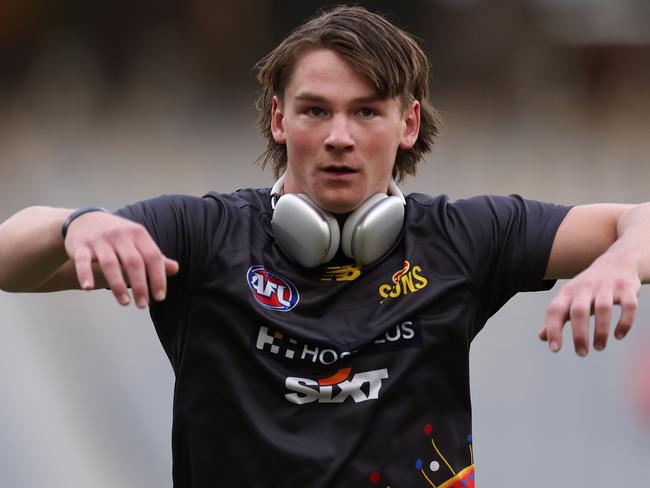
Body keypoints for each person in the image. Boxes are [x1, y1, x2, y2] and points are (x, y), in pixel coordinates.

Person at [0, 5, 648, 488]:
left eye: (366, 112)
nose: (340, 135)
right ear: (280, 119)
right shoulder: (200, 235)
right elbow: (9, 261)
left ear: (408, 123)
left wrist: (621, 256)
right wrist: (75, 224)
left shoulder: (465, 238)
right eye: (315, 111)